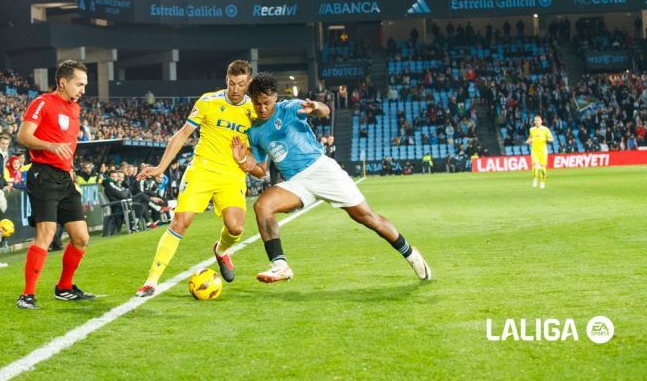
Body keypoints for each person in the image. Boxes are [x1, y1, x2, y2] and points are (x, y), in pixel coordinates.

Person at [231, 72, 432, 284]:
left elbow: (325, 111)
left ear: (275, 98)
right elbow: (261, 170)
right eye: (257, 104)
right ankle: (280, 266)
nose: (262, 108)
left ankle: (411, 254)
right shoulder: (255, 132)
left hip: (322, 170)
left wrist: (317, 107)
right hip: (296, 183)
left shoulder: (289, 108)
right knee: (262, 205)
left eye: (266, 103)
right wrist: (243, 160)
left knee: (368, 219)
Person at [134, 60, 254, 298]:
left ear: (248, 82)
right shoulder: (208, 101)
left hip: (232, 175)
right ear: (226, 80)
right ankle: (151, 281)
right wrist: (160, 167)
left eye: (241, 84)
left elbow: (259, 146)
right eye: (231, 83)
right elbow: (181, 136)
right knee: (180, 222)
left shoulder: (254, 110)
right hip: (202, 170)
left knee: (236, 227)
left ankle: (220, 251)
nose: (235, 89)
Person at [15, 60, 94, 309]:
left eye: (84, 85)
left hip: (64, 177)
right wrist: (49, 146)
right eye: (79, 84)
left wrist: (70, 171)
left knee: (81, 238)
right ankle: (27, 295)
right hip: (44, 175)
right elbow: (23, 136)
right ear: (63, 82)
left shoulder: (75, 109)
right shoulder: (42, 102)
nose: (83, 89)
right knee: (46, 234)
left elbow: (67, 144)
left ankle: (64, 287)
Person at [525, 115, 554, 189]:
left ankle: (542, 182)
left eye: (538, 120)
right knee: (535, 166)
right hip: (534, 150)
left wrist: (548, 140)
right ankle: (535, 179)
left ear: (541, 121)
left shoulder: (545, 129)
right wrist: (527, 141)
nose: (536, 122)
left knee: (543, 167)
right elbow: (530, 138)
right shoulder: (531, 129)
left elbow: (551, 138)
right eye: (535, 120)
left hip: (543, 151)